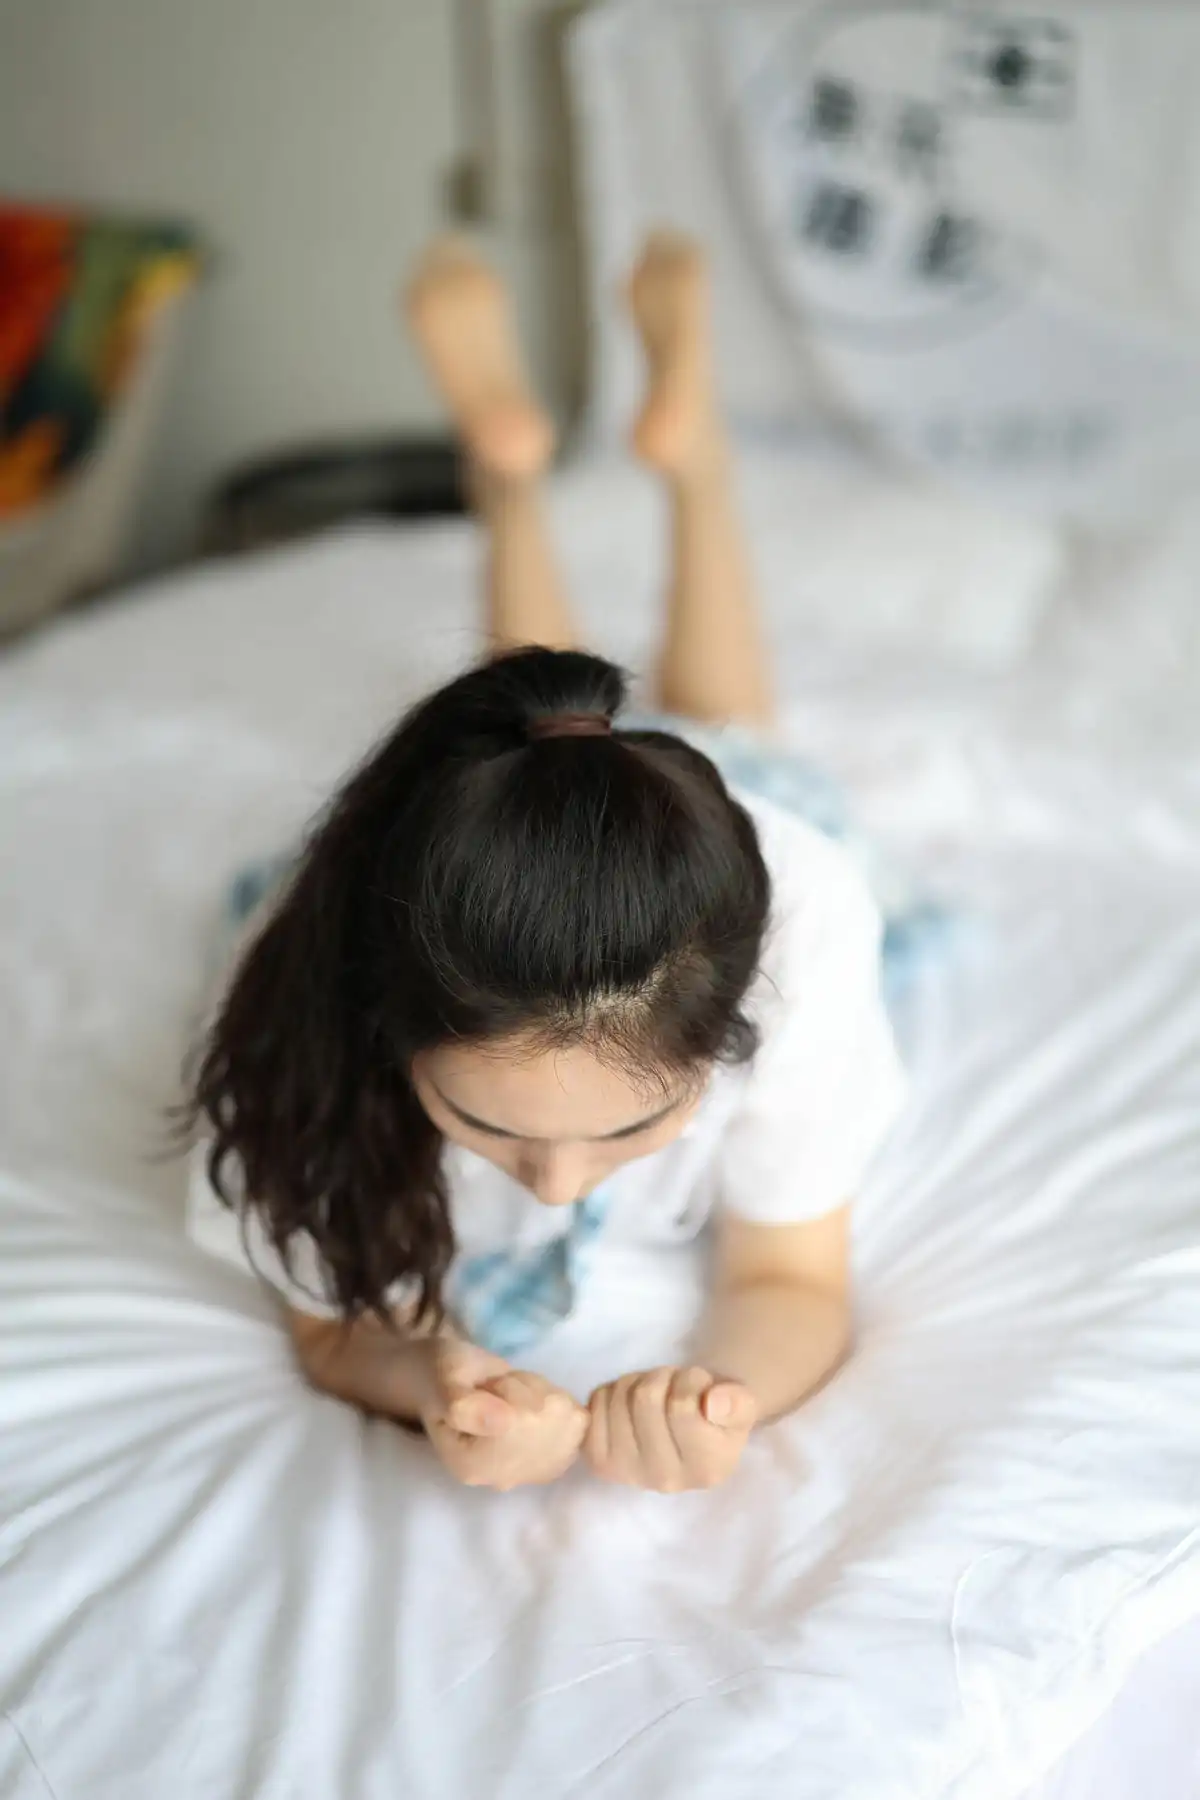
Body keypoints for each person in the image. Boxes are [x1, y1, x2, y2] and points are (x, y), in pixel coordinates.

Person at [185, 234, 906, 1495]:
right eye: (485, 1123)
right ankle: (602, 469)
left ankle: (594, 471)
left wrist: (716, 1402)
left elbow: (791, 1281)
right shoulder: (304, 972)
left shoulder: (805, 922)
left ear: (739, 1021)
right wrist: (431, 1379)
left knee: (705, 729)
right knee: (530, 738)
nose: (559, 1185)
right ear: (388, 1017)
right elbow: (330, 1328)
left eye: (633, 1127)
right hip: (507, 832)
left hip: (739, 832)